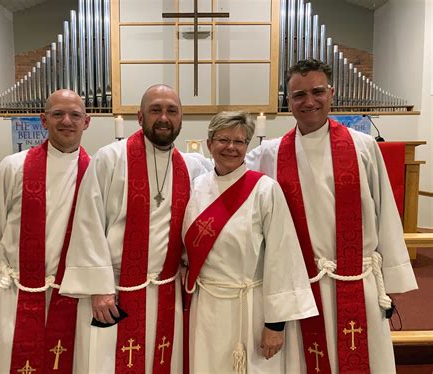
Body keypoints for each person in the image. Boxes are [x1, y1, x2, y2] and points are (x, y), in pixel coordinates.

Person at [246, 59, 418, 373]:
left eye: (317, 92)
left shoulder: (362, 146)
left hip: (355, 279)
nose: (309, 101)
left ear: (332, 93)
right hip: (301, 284)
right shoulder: (269, 154)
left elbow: (386, 214)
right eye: (299, 95)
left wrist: (390, 279)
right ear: (288, 100)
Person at [59, 84, 212, 373]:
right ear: (140, 117)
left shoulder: (191, 167)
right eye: (155, 110)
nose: (164, 117)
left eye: (171, 111)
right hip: (114, 292)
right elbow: (87, 223)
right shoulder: (110, 158)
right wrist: (99, 288)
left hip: (166, 292)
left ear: (181, 119)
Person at [182, 111, 318, 373]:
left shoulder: (265, 190)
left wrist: (275, 325)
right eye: (223, 139)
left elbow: (283, 257)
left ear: (248, 146)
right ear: (209, 144)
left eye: (240, 141)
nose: (231, 147)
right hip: (207, 306)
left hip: (251, 308)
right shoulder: (197, 186)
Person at [0, 89, 91, 373]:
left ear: (86, 121)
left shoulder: (96, 172)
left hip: (72, 292)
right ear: (44, 120)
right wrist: (11, 270)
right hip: (19, 290)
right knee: (11, 358)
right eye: (57, 114)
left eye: (75, 115)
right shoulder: (13, 167)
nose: (66, 121)